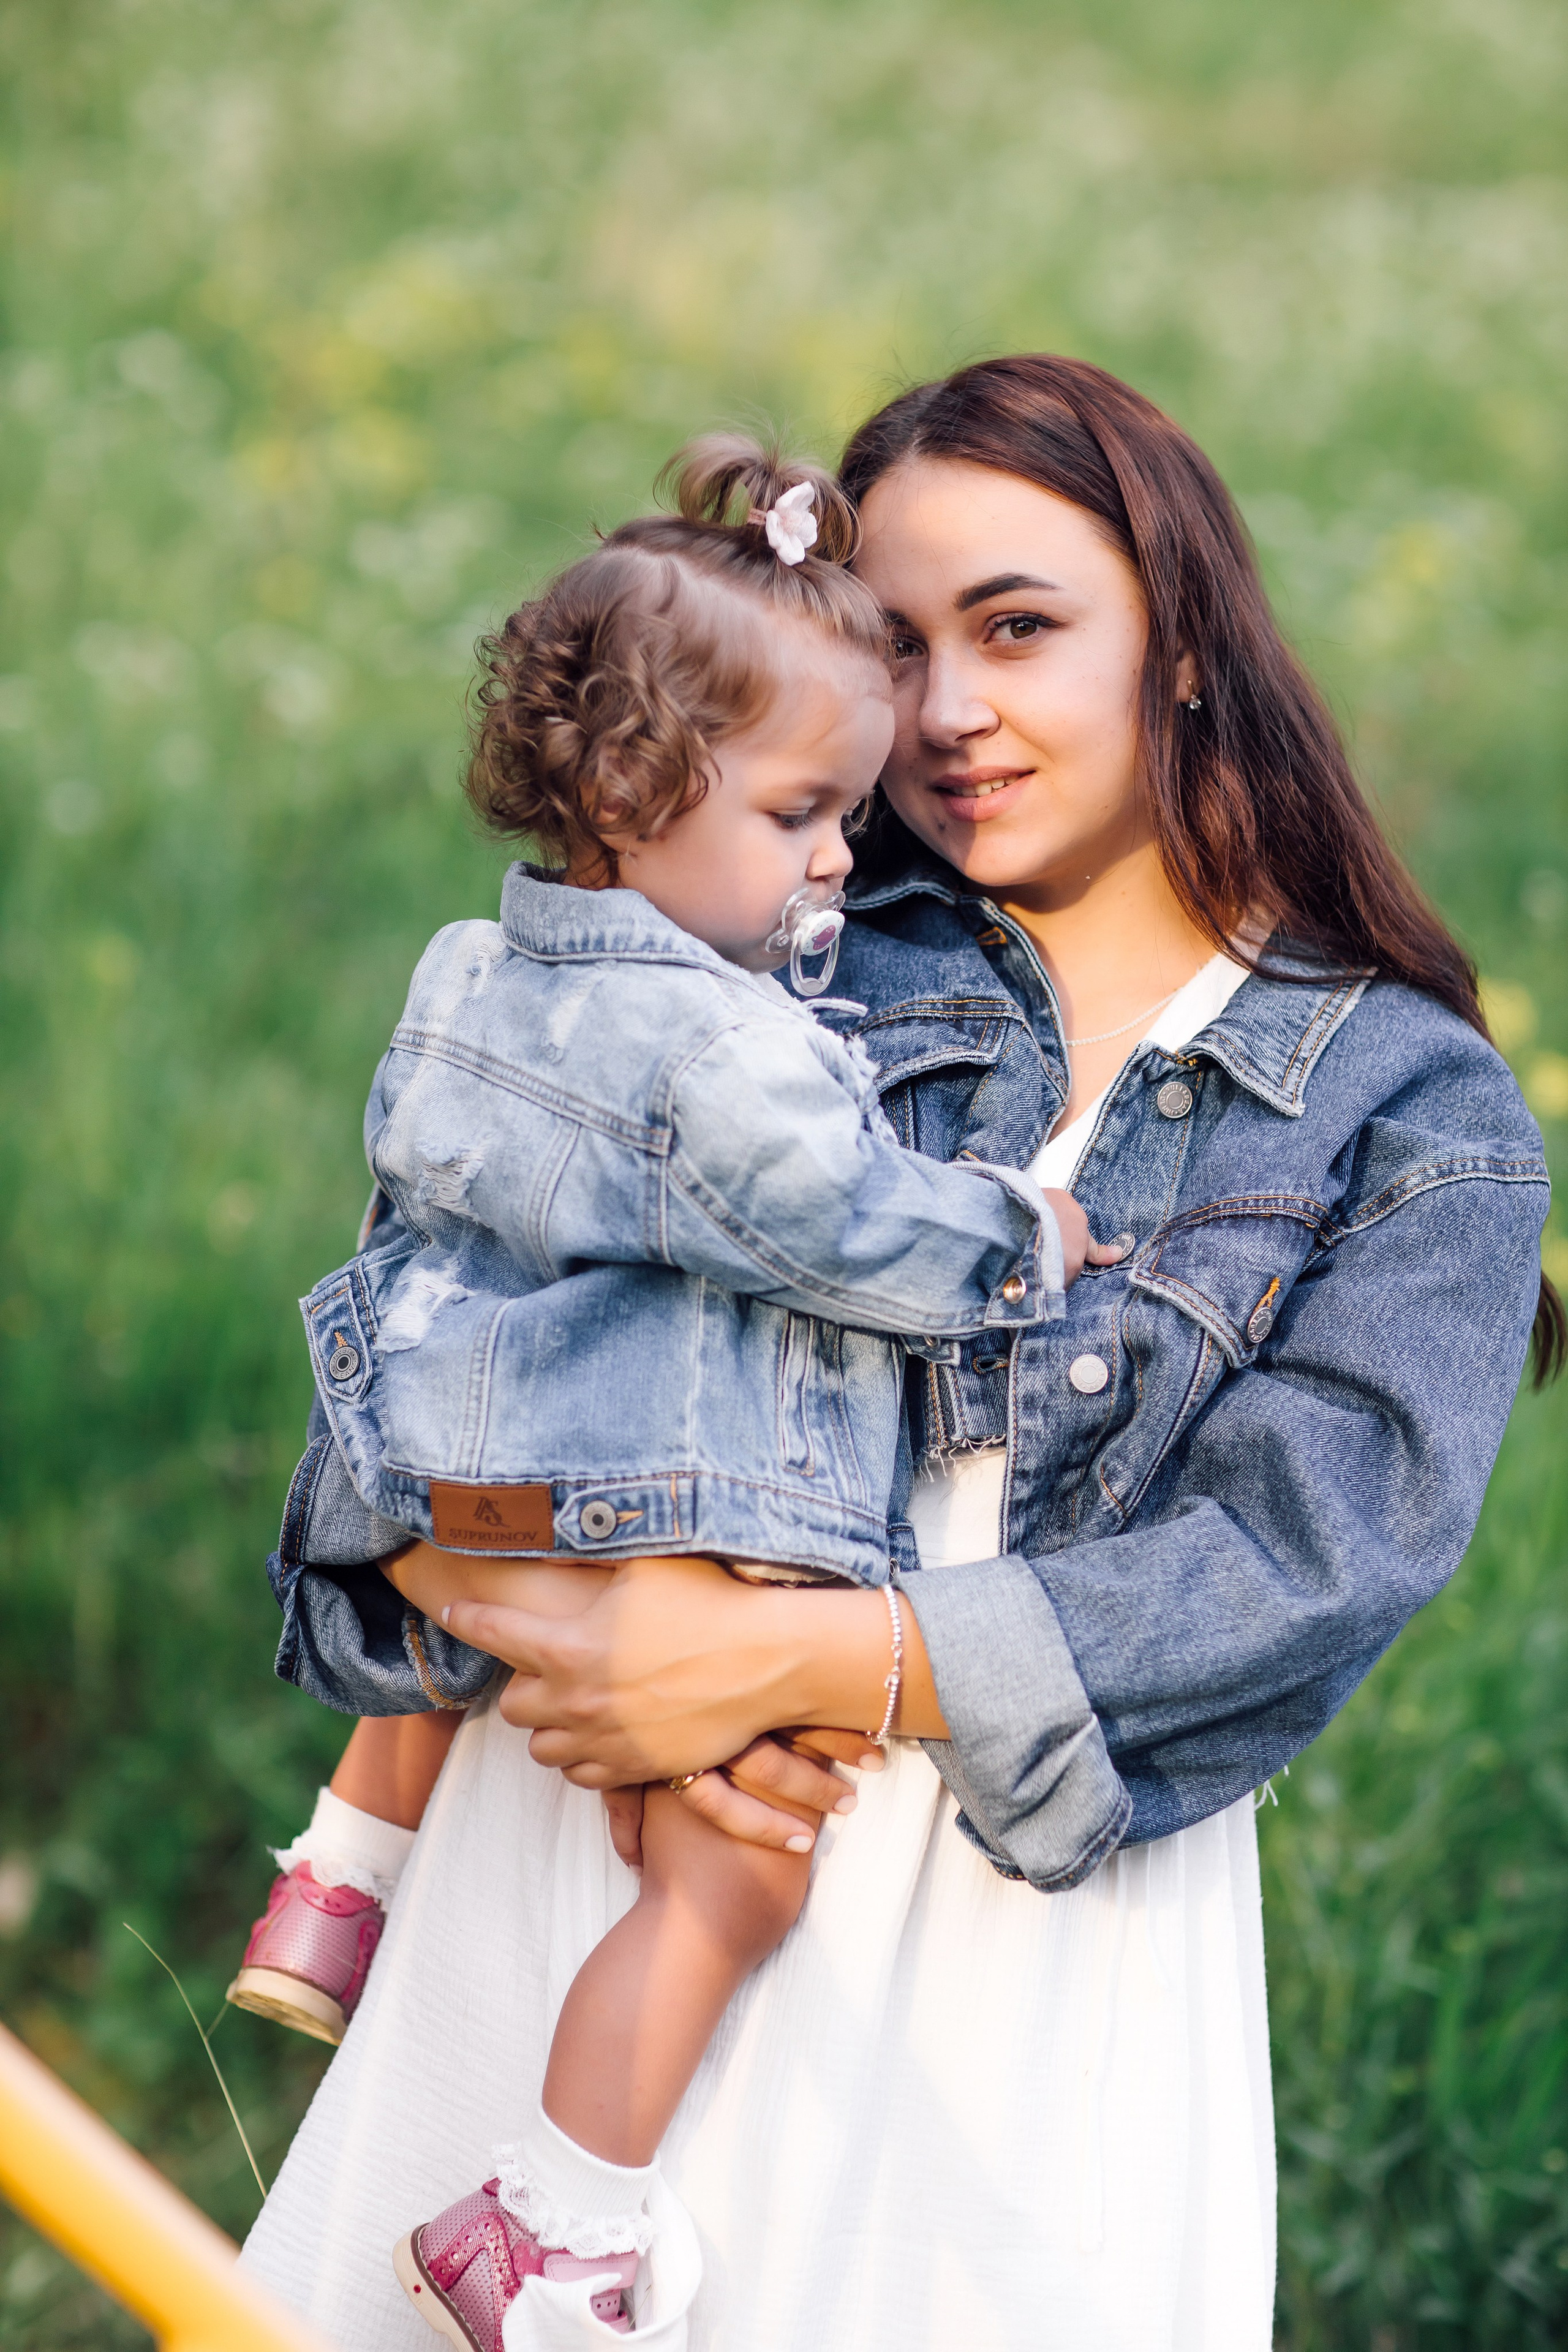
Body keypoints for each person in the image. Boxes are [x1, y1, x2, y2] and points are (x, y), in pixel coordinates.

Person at [244, 355, 1553, 2352]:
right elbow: (439, 1304)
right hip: (586, 1843)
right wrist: (480, 1591)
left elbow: (1307, 1567)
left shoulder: (1412, 1111)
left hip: (1010, 1960)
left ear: (1183, 637)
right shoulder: (766, 929)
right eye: (901, 643)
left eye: (1019, 628)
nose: (945, 715)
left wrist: (789, 1656)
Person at [233, 434, 1107, 2342]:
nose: (831, 866)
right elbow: (837, 1224)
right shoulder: (720, 1044)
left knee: (473, 1641)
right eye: (808, 815)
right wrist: (1021, 1233)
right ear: (636, 789)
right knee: (725, 1891)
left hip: (437, 1467)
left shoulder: (467, 970)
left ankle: (336, 1879)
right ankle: (554, 2224)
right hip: (655, 1503)